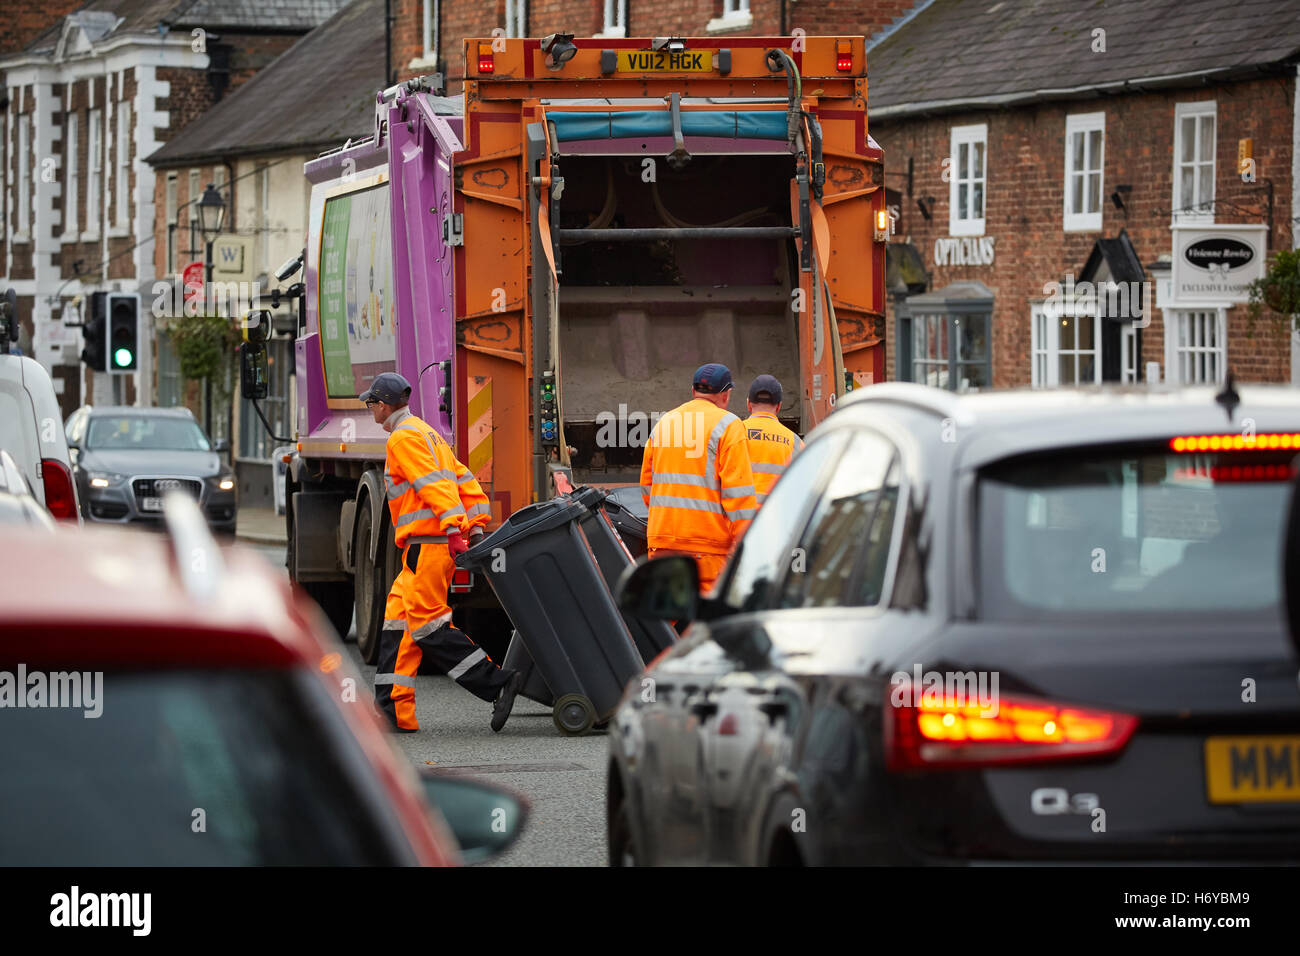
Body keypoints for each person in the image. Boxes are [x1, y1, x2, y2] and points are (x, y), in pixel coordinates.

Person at [361, 372, 522, 733]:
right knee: (397, 622)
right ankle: (393, 712)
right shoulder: (428, 433)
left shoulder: (403, 439)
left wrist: (453, 527)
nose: (370, 409)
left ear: (384, 405)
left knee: (428, 626)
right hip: (426, 547)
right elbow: (462, 477)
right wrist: (476, 523)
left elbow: (431, 485)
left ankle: (496, 682)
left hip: (428, 544)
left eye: (371, 403)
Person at [640, 363, 758, 593]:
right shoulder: (729, 426)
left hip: (662, 542)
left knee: (665, 621)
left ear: (693, 392)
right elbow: (739, 497)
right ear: (726, 395)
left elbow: (647, 487)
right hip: (707, 549)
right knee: (705, 622)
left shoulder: (664, 423)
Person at [742, 374, 803, 507]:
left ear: (748, 404)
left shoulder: (732, 433)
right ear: (779, 406)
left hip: (739, 521)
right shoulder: (795, 442)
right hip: (775, 521)